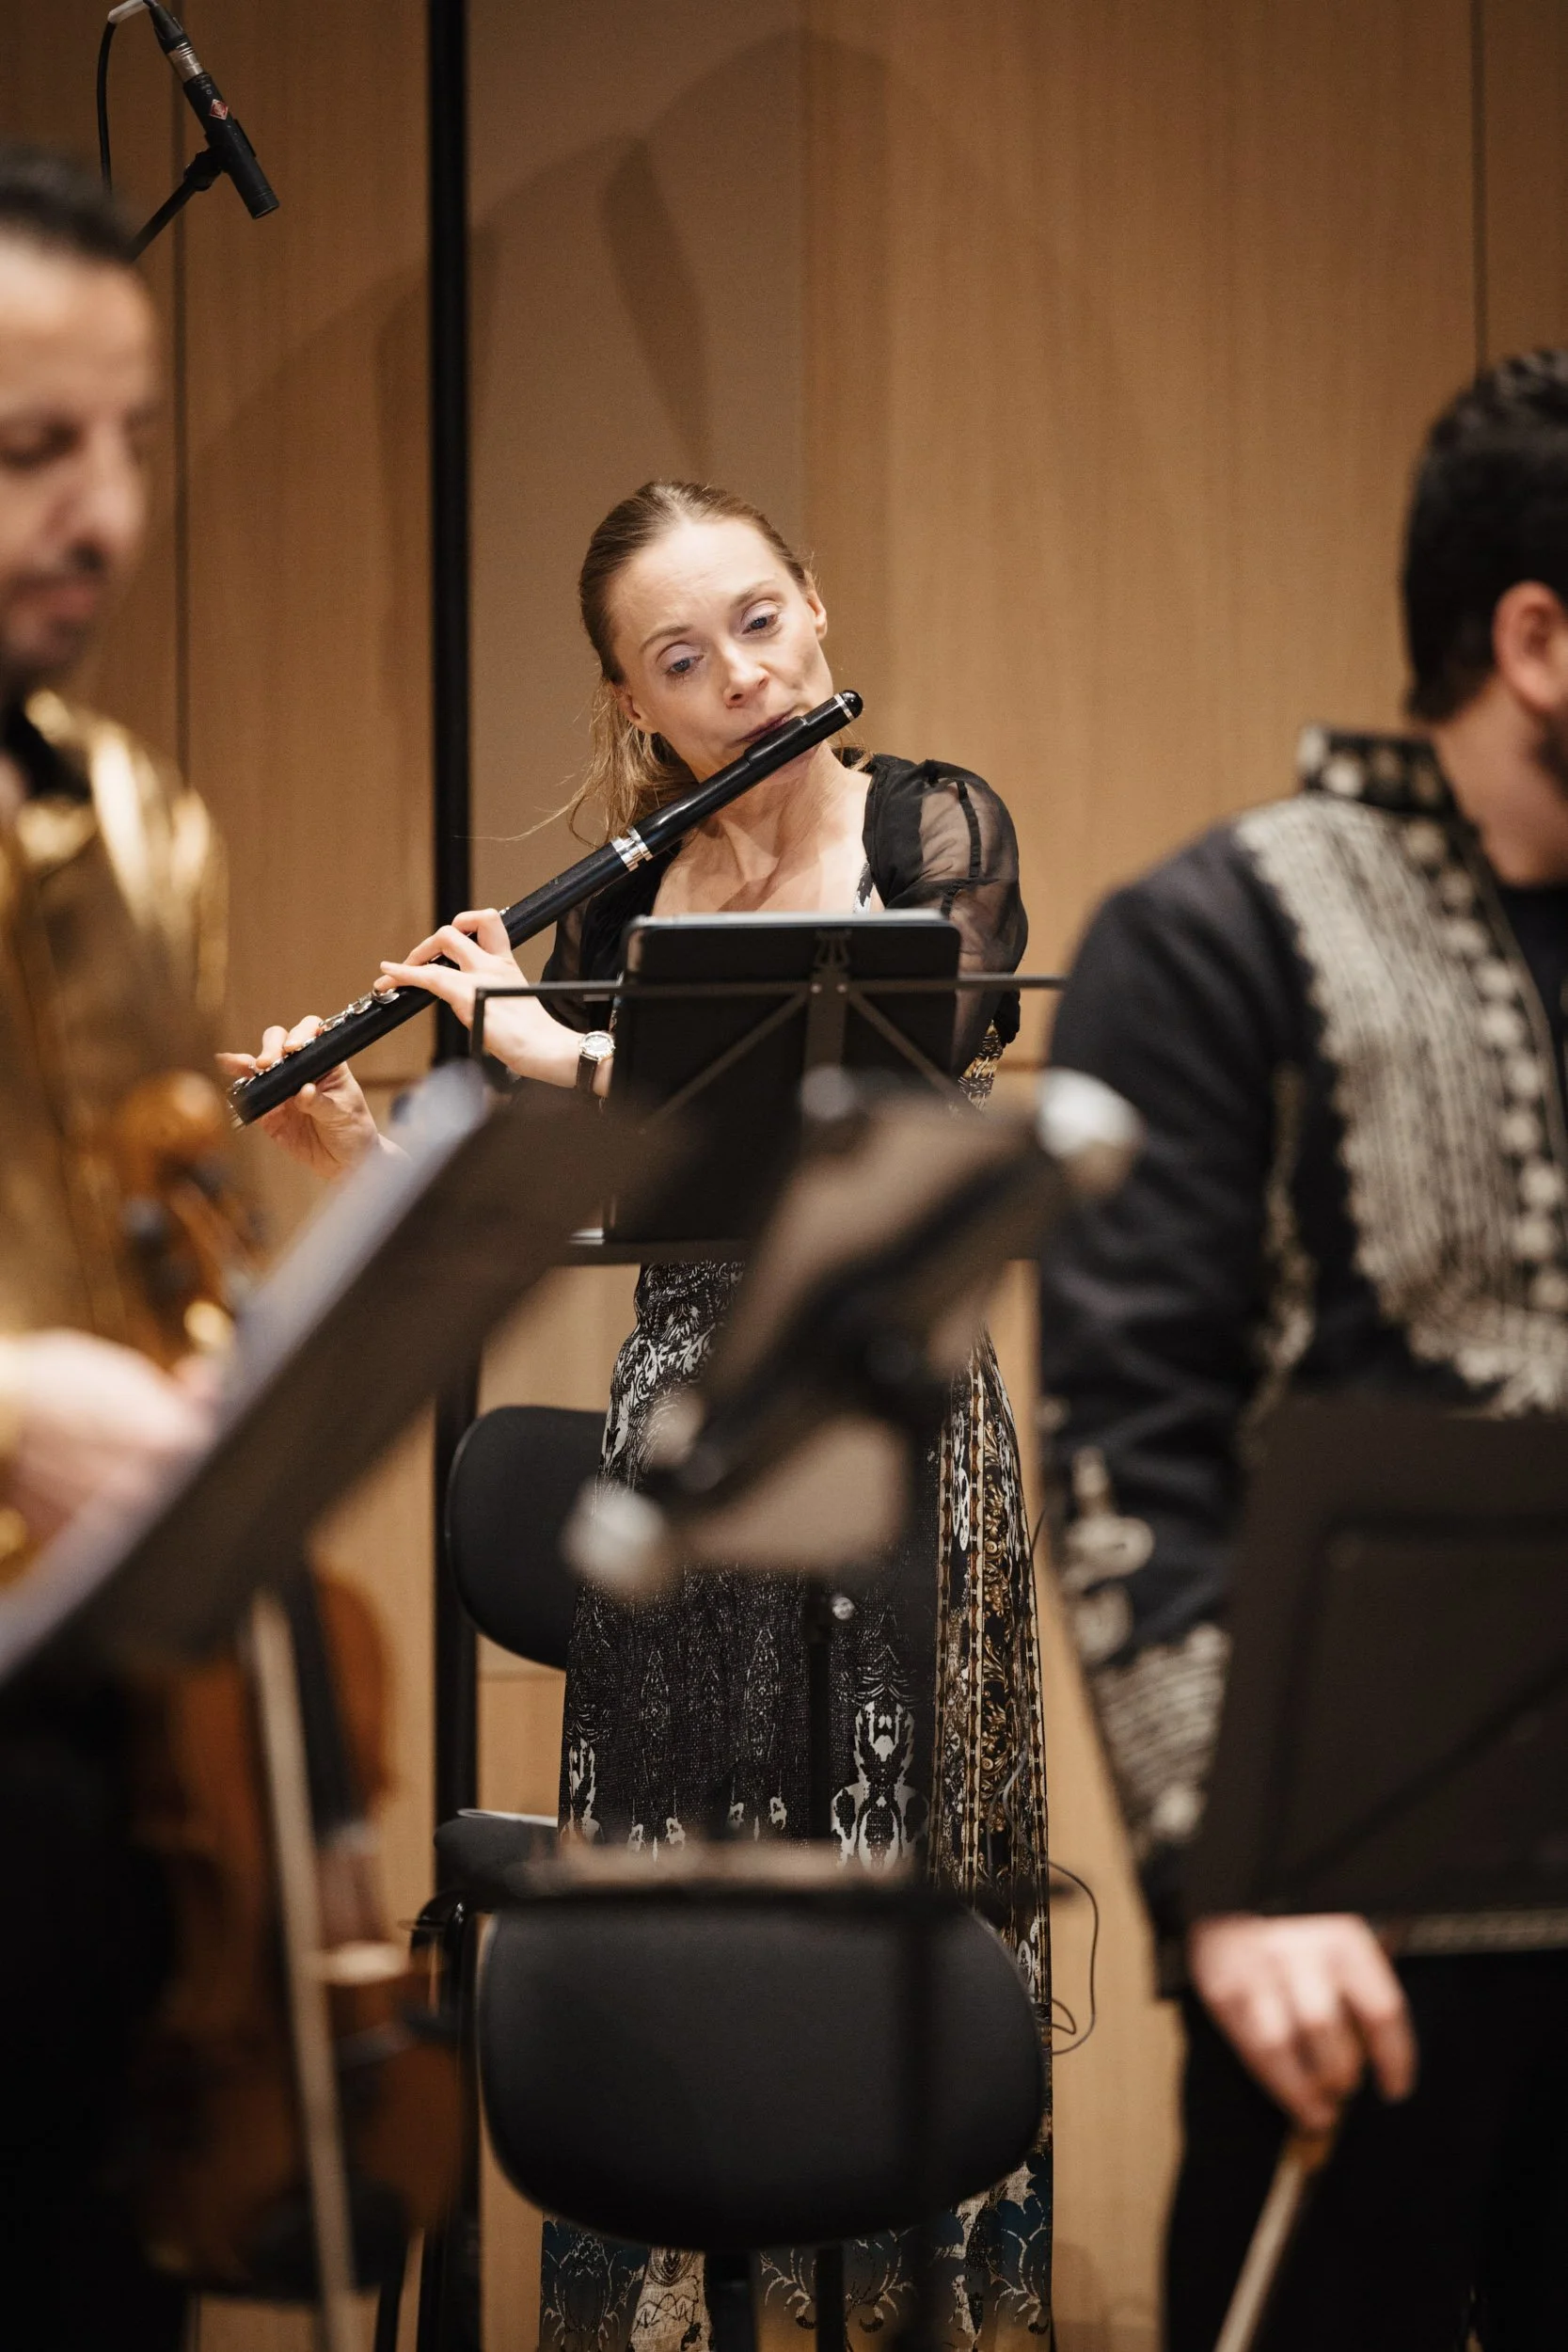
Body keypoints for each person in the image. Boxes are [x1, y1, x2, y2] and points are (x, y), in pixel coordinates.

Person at [239, 478, 1053, 2350]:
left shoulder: (929, 826)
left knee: (882, 1924)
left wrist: (557, 1047)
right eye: (680, 659)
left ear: (815, 605)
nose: (739, 676)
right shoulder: (621, 899)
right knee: (685, 1927)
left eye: (758, 620)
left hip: (889, 1437)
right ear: (632, 702)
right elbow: (559, 1224)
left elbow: (891, 1118)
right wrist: (359, 1143)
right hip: (672, 1459)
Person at [1037, 350, 1568, 2350]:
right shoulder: (1211, 937)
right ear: (1533, 641)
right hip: (1352, 1933)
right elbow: (1128, 1445)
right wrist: (1230, 1884)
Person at [0, 145, 222, 2347]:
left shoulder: (142, 823)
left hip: (77, 1778)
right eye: (29, 451)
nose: (104, 515)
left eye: (131, 442)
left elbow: (164, 1258)